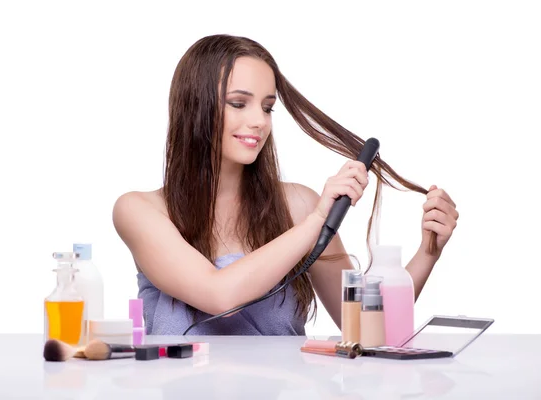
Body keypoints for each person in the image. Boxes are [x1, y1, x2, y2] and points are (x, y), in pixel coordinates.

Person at [112, 34, 459, 336]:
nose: (259, 121)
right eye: (238, 103)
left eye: (267, 108)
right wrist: (315, 223)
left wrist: (428, 253)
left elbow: (368, 325)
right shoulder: (140, 211)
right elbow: (220, 295)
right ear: (194, 107)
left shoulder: (298, 206)